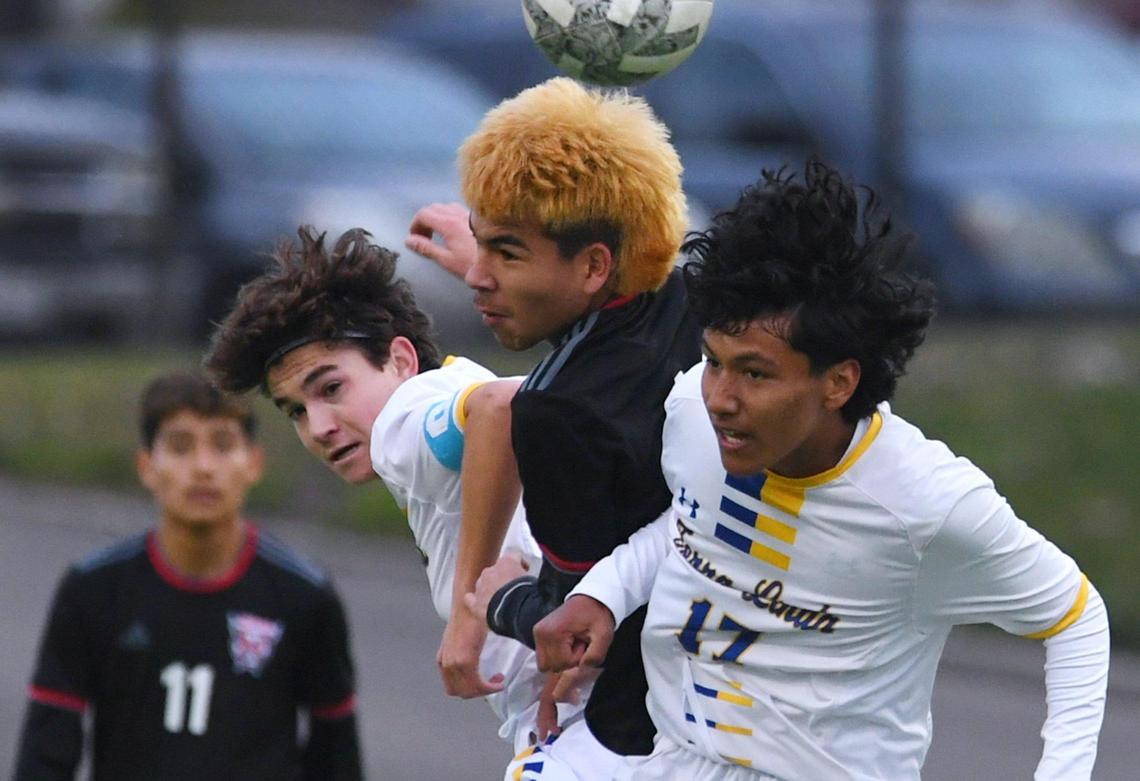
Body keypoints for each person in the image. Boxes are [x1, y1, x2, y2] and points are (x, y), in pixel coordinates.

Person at [531, 161, 1111, 780]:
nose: (720, 396)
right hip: (675, 760)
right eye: (713, 361)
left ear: (838, 382)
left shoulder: (927, 506)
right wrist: (605, 592)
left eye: (755, 373)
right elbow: (689, 524)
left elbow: (1076, 618)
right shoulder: (694, 416)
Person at [202, 225, 589, 777]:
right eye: (295, 411)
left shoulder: (402, 425)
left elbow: (500, 409)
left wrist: (466, 612)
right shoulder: (454, 389)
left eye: (330, 388)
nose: (318, 427)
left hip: (590, 735)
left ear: (402, 361)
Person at [404, 75, 703, 771]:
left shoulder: (555, 416)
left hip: (642, 724)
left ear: (595, 264)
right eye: (480, 248)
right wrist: (499, 259)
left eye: (506, 254)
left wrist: (492, 597)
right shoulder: (690, 295)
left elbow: (570, 624)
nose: (478, 276)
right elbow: (607, 347)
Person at [12, 370, 363, 781]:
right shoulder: (93, 589)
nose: (202, 467)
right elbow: (45, 755)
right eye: (180, 447)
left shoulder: (305, 596)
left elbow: (337, 757)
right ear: (147, 466)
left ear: (253, 463)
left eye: (223, 445)